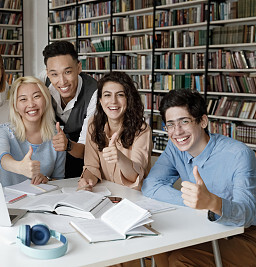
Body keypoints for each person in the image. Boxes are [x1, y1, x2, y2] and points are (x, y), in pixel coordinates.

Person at [141, 89, 256, 266]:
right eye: (170, 124)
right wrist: (194, 203)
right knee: (158, 247)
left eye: (184, 121)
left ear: (203, 121)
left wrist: (213, 203)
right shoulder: (175, 149)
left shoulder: (238, 154)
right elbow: (151, 185)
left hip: (245, 234)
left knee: (180, 259)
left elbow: (247, 214)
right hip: (203, 226)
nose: (177, 132)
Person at [77, 72, 152, 191]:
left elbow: (136, 177)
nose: (113, 101)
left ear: (129, 99)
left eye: (120, 95)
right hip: (105, 194)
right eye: (107, 95)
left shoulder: (142, 130)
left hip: (133, 197)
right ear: (100, 100)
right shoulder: (93, 124)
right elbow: (91, 166)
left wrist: (119, 157)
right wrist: (87, 180)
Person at [0, 76, 66, 187]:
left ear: (46, 100)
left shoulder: (57, 136)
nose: (31, 104)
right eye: (23, 99)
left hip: (43, 201)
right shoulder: (3, 131)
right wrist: (20, 167)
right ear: (15, 105)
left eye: (36, 96)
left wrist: (46, 180)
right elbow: (1, 159)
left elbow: (59, 179)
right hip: (11, 202)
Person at [40, 41, 98, 178]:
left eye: (67, 72)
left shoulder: (94, 93)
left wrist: (67, 145)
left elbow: (86, 150)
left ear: (79, 67)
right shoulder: (42, 81)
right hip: (49, 156)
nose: (62, 81)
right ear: (47, 73)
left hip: (80, 159)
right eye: (54, 74)